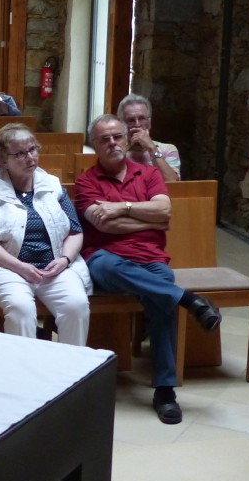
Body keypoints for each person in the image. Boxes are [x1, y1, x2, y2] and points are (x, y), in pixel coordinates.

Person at [75, 114, 221, 425]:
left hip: (151, 259)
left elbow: (165, 213)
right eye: (104, 139)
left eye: (117, 137)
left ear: (127, 140)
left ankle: (165, 390)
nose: (113, 143)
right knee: (108, 266)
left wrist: (121, 208)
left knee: (160, 293)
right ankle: (188, 299)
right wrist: (147, 218)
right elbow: (101, 223)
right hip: (106, 258)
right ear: (95, 146)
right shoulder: (87, 181)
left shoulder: (149, 175)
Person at [0, 124, 91, 345]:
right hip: (7, 267)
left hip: (52, 265)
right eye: (20, 153)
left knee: (76, 305)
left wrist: (64, 260)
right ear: (3, 161)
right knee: (21, 308)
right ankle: (24, 373)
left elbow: (75, 231)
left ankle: (72, 372)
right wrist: (19, 267)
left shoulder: (52, 185)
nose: (30, 158)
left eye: (33, 150)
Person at [117, 93, 180, 182]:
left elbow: (172, 182)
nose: (137, 124)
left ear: (149, 122)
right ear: (122, 124)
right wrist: (127, 148)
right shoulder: (116, 150)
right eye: (131, 120)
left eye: (142, 118)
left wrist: (152, 148)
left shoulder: (168, 149)